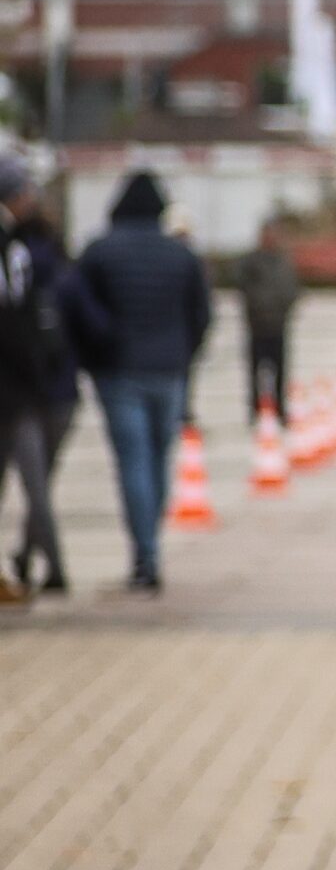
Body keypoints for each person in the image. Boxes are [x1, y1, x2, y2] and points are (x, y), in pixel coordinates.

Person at [77, 171, 210, 594]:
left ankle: (145, 554)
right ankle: (150, 546)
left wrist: (94, 355)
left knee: (133, 461)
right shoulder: (181, 254)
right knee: (158, 459)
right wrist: (184, 355)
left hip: (119, 372)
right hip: (169, 371)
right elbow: (202, 315)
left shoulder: (99, 252)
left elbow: (75, 307)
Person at [0, 157, 72, 596]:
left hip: (25, 385)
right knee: (36, 481)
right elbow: (16, 321)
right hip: (21, 387)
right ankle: (52, 566)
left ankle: (37, 561)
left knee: (34, 480)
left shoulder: (24, 246)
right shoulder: (20, 249)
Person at [237, 223, 303, 425]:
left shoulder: (283, 261)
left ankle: (280, 408)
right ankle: (256, 410)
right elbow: (244, 288)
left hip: (278, 325)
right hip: (257, 325)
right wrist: (259, 307)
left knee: (280, 370)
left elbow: (291, 289)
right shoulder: (252, 262)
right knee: (255, 371)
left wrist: (283, 309)